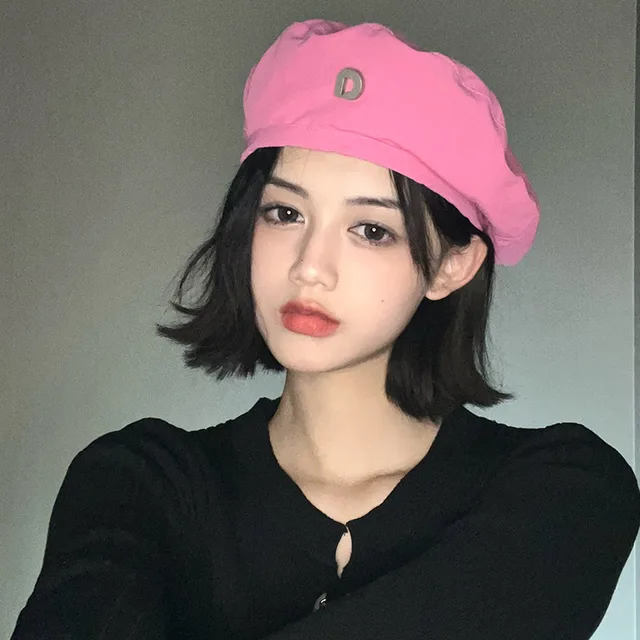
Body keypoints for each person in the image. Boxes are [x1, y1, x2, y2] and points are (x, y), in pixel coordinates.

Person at [11, 19, 640, 640]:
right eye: (284, 213)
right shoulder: (140, 482)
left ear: (452, 265)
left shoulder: (565, 489)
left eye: (371, 230)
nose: (310, 266)